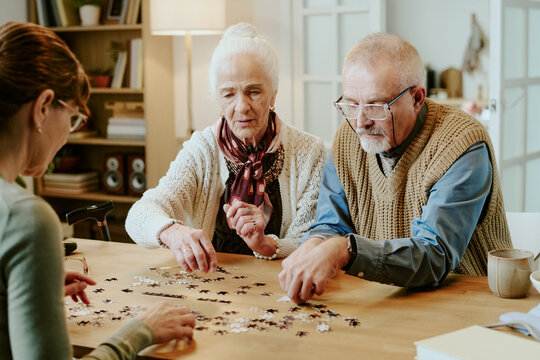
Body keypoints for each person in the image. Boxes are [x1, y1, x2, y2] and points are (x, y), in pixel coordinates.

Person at [0, 22, 195, 359]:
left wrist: (26, 292)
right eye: (73, 118)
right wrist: (139, 332)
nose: (68, 137)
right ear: (44, 107)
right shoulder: (25, 217)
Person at [279, 33, 511, 304]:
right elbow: (331, 223)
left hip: (470, 303)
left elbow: (435, 255)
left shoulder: (462, 143)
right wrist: (312, 247)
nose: (361, 122)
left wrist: (346, 250)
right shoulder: (347, 140)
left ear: (416, 98)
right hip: (387, 298)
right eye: (352, 104)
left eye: (376, 106)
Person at [126, 23, 326, 272]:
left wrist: (264, 244)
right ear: (218, 100)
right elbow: (139, 215)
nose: (241, 107)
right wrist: (173, 231)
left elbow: (315, 241)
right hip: (210, 287)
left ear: (273, 93)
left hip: (283, 287)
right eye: (229, 94)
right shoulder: (202, 149)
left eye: (253, 92)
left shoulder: (310, 152)